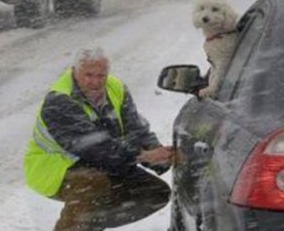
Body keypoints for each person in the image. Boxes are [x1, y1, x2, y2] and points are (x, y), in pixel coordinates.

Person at [24, 47, 173, 231]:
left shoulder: (116, 88)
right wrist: (143, 156)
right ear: (74, 71)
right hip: (53, 168)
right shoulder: (60, 100)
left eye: (101, 75)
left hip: (100, 163)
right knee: (92, 183)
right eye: (88, 75)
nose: (95, 82)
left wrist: (161, 155)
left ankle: (84, 225)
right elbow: (96, 148)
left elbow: (136, 129)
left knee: (154, 193)